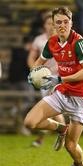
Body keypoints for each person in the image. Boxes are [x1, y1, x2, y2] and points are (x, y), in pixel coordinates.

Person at [24, 7, 83, 166]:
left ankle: (79, 164)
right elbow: (39, 62)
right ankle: (61, 129)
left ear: (71, 22)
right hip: (62, 92)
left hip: (81, 97)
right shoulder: (52, 42)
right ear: (54, 25)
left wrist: (61, 79)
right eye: (58, 22)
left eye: (65, 21)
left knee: (71, 146)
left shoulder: (80, 43)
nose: (62, 25)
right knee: (30, 122)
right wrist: (33, 74)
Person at [28, 11, 66, 147]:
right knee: (49, 110)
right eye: (48, 23)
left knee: (53, 108)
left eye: (53, 23)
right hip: (45, 79)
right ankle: (43, 138)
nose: (51, 26)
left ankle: (62, 133)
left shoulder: (63, 40)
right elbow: (31, 59)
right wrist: (34, 73)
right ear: (44, 25)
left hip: (61, 79)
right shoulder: (39, 40)